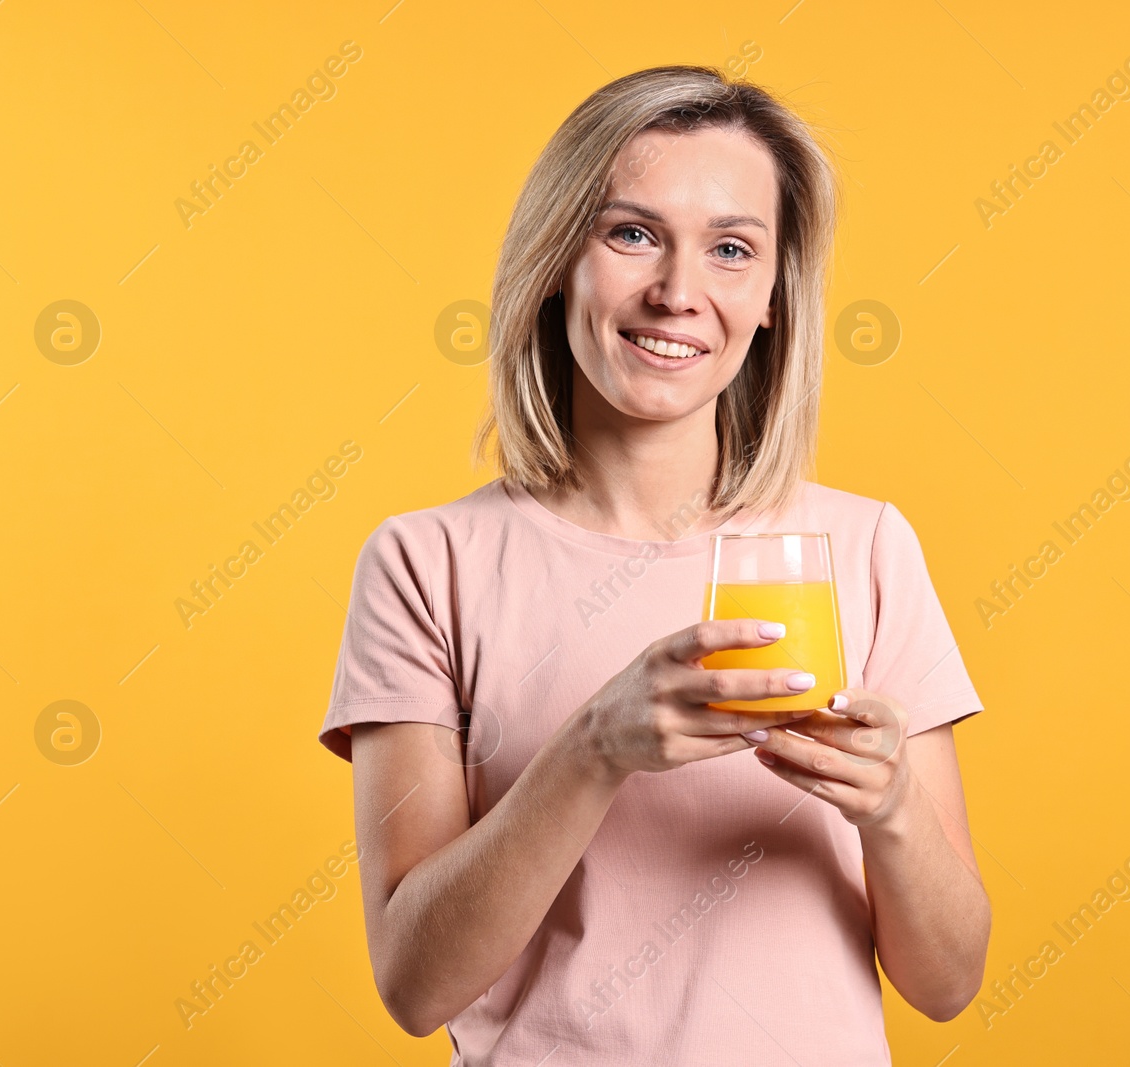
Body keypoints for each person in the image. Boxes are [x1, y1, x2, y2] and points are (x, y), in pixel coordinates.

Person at [318, 64, 990, 1065]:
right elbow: (414, 983)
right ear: (558, 261)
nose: (678, 293)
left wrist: (892, 809)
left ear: (772, 294)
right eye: (630, 233)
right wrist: (593, 748)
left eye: (730, 249)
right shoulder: (427, 563)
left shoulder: (863, 548)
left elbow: (947, 981)